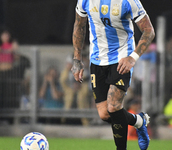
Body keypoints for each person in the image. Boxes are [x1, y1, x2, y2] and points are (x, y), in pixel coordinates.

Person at [71, 0, 155, 150]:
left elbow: (149, 30)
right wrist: (77, 59)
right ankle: (139, 121)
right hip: (97, 61)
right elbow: (79, 25)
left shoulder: (128, 1)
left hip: (122, 59)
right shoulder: (85, 1)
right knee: (105, 114)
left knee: (114, 106)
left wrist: (132, 57)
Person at [60, 55, 90, 125]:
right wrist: (68, 68)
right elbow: (62, 80)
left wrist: (84, 67)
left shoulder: (83, 91)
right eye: (74, 83)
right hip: (68, 118)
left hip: (82, 119)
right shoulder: (69, 91)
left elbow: (86, 81)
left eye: (77, 83)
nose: (76, 85)